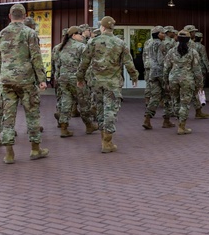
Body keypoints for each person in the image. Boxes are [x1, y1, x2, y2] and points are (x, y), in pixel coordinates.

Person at [0, 3, 49, 163]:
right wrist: (42, 79)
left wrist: (3, 74)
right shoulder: (29, 33)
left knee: (8, 117)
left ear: (10, 16)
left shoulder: (1, 34)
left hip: (6, 80)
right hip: (26, 80)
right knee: (32, 114)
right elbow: (36, 57)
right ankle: (35, 149)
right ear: (24, 17)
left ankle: (9, 153)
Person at [77, 16, 138, 153]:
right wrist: (134, 76)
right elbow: (129, 62)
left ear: (103, 27)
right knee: (110, 110)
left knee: (100, 109)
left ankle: (103, 139)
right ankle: (107, 141)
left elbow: (84, 62)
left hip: (96, 82)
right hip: (113, 82)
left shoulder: (93, 42)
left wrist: (80, 77)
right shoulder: (120, 43)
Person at [162, 30, 203, 134]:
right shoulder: (193, 52)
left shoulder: (171, 51)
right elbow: (197, 70)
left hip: (173, 79)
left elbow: (166, 67)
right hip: (187, 79)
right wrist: (199, 83)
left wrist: (165, 81)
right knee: (185, 103)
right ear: (189, 39)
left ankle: (178, 119)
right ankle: (182, 126)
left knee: (176, 101)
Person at [54, 26, 92, 137]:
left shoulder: (59, 47)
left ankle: (64, 127)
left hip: (63, 78)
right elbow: (85, 65)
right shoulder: (81, 47)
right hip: (76, 79)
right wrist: (85, 79)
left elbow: (57, 65)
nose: (82, 36)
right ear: (74, 35)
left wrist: (58, 77)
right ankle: (89, 125)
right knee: (84, 102)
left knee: (66, 102)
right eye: (80, 34)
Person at [142, 26, 165, 129]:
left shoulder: (149, 44)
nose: (164, 35)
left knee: (154, 97)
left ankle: (147, 118)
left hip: (152, 72)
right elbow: (161, 60)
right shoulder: (160, 44)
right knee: (167, 96)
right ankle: (167, 120)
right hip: (160, 72)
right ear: (158, 34)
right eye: (162, 33)